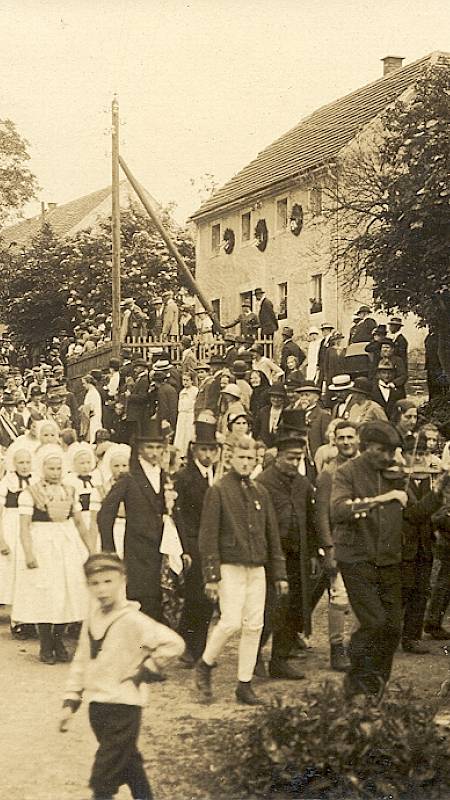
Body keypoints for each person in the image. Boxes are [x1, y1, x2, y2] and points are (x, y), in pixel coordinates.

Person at [59, 552, 184, 800]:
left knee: (103, 778)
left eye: (108, 581)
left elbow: (174, 643)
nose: (102, 589)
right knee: (128, 763)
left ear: (122, 581)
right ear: (87, 586)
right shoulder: (92, 619)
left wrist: (147, 670)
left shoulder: (133, 620)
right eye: (95, 583)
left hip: (124, 707)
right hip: (98, 706)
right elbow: (82, 660)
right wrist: (71, 700)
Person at [195, 434, 287, 705]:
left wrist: (279, 574)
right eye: (241, 458)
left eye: (250, 458)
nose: (246, 463)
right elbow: (208, 536)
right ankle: (205, 663)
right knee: (231, 622)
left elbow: (273, 537)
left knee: (254, 625)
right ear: (230, 458)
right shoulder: (219, 490)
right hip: (229, 567)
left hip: (256, 567)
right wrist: (211, 576)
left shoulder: (261, 492)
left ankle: (244, 684)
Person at [330, 421, 408, 698]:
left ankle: (377, 686)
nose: (389, 458)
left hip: (387, 558)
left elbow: (411, 507)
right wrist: (381, 498)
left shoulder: (394, 473)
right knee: (374, 622)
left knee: (393, 626)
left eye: (393, 451)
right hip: (356, 557)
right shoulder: (346, 472)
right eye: (383, 450)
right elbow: (338, 510)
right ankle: (356, 683)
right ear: (366, 448)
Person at [13, 444, 92, 664]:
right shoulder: (30, 493)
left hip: (65, 544)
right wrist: (29, 553)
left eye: (58, 468)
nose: (55, 473)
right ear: (42, 468)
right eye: (51, 468)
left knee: (65, 591)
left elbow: (79, 523)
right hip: (42, 543)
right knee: (45, 592)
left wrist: (90, 550)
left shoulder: (69, 490)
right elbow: (24, 526)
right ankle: (46, 643)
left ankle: (58, 638)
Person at [256, 419, 318, 680]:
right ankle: (255, 654)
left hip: (297, 555)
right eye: (290, 458)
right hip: (270, 557)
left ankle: (279, 660)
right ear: (278, 456)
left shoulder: (303, 483)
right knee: (269, 609)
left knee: (293, 607)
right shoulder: (263, 482)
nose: (294, 463)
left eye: (298, 458)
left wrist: (314, 552)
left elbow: (311, 520)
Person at [98, 421, 172, 621]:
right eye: (149, 447)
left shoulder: (165, 476)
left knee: (160, 598)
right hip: (137, 547)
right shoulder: (129, 478)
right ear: (139, 449)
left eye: (158, 447)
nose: (154, 453)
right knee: (140, 598)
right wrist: (109, 548)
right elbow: (105, 513)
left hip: (162, 546)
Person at [314, 421, 360, 671]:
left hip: (364, 542)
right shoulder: (328, 473)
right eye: (341, 437)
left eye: (350, 437)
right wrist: (328, 549)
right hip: (340, 542)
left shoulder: (365, 468)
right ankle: (336, 648)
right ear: (334, 440)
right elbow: (321, 514)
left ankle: (357, 646)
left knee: (362, 598)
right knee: (339, 596)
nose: (346, 442)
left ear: (358, 439)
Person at [174, 420, 220, 666]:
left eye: (212, 450)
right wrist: (185, 547)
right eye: (203, 450)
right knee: (197, 596)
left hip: (209, 542)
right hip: (193, 542)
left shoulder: (214, 476)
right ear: (194, 451)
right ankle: (193, 648)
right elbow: (179, 515)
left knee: (204, 597)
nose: (207, 455)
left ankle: (190, 645)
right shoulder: (184, 477)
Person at [294, 381, 330, 459]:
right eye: (301, 395)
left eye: (307, 395)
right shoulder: (296, 414)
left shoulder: (323, 415)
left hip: (315, 458)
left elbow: (326, 441)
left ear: (316, 398)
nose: (303, 398)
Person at [253, 383, 286, 448]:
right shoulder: (263, 411)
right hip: (264, 447)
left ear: (283, 398)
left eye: (279, 397)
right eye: (273, 397)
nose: (276, 399)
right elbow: (256, 430)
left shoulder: (286, 412)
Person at [174, 372, 198, 457]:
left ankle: (189, 453)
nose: (185, 382)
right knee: (181, 434)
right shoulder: (182, 392)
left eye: (187, 380)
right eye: (183, 380)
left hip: (190, 414)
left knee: (189, 433)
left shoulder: (195, 391)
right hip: (182, 415)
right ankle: (180, 453)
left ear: (192, 381)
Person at [80, 374, 103, 445]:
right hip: (90, 417)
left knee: (93, 432)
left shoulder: (93, 393)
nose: (83, 385)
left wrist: (83, 407)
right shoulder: (90, 392)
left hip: (93, 417)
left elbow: (91, 407)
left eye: (84, 383)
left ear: (89, 383)